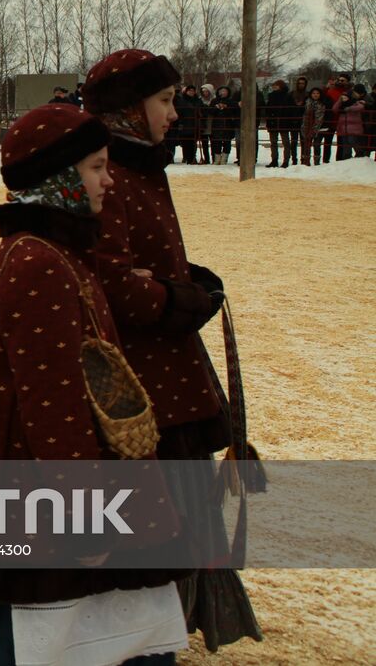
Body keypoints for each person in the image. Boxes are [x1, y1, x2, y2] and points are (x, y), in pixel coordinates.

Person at [0, 104, 188, 666]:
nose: (110, 179)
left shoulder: (52, 250)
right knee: (38, 628)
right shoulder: (40, 260)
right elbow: (52, 405)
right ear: (59, 179)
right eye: (96, 167)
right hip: (44, 485)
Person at [83, 49, 260, 652]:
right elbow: (112, 281)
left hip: (170, 371)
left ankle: (166, 629)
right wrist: (179, 299)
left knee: (180, 509)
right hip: (140, 383)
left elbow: (147, 264)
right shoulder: (110, 172)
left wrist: (188, 280)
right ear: (130, 108)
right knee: (152, 518)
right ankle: (140, 637)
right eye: (165, 100)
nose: (175, 111)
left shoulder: (142, 167)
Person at [264, 80, 294, 168]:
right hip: (273, 121)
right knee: (273, 142)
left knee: (285, 142)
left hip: (283, 121)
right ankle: (274, 160)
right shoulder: (271, 96)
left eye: (276, 85)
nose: (274, 87)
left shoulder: (287, 96)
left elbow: (290, 109)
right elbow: (268, 109)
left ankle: (286, 161)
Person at [208, 85, 239, 164]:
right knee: (216, 142)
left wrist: (226, 107)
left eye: (225, 91)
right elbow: (210, 112)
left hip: (228, 124)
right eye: (221, 91)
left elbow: (234, 111)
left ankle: (224, 159)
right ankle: (217, 159)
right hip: (216, 124)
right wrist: (216, 107)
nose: (223, 92)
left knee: (227, 142)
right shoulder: (214, 101)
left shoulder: (231, 101)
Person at [335, 87, 367, 161]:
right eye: (343, 97)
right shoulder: (341, 105)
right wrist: (339, 101)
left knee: (352, 141)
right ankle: (347, 160)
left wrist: (349, 108)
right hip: (343, 128)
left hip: (354, 128)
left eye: (345, 97)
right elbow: (334, 109)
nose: (344, 99)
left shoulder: (357, 102)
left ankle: (360, 154)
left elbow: (360, 107)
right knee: (346, 146)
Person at [172, 84, 201, 164]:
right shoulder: (182, 100)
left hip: (194, 124)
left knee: (193, 142)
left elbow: (201, 109)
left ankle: (192, 157)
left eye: (193, 90)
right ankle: (187, 157)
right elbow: (179, 111)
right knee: (185, 142)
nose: (191, 92)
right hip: (185, 123)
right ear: (186, 91)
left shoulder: (197, 100)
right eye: (189, 90)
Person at [300, 86, 327, 165]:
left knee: (317, 144)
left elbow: (320, 117)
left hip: (318, 127)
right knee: (306, 144)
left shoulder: (322, 104)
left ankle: (317, 162)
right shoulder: (307, 103)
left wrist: (315, 127)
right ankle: (305, 161)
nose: (315, 95)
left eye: (317, 93)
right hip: (306, 126)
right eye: (314, 93)